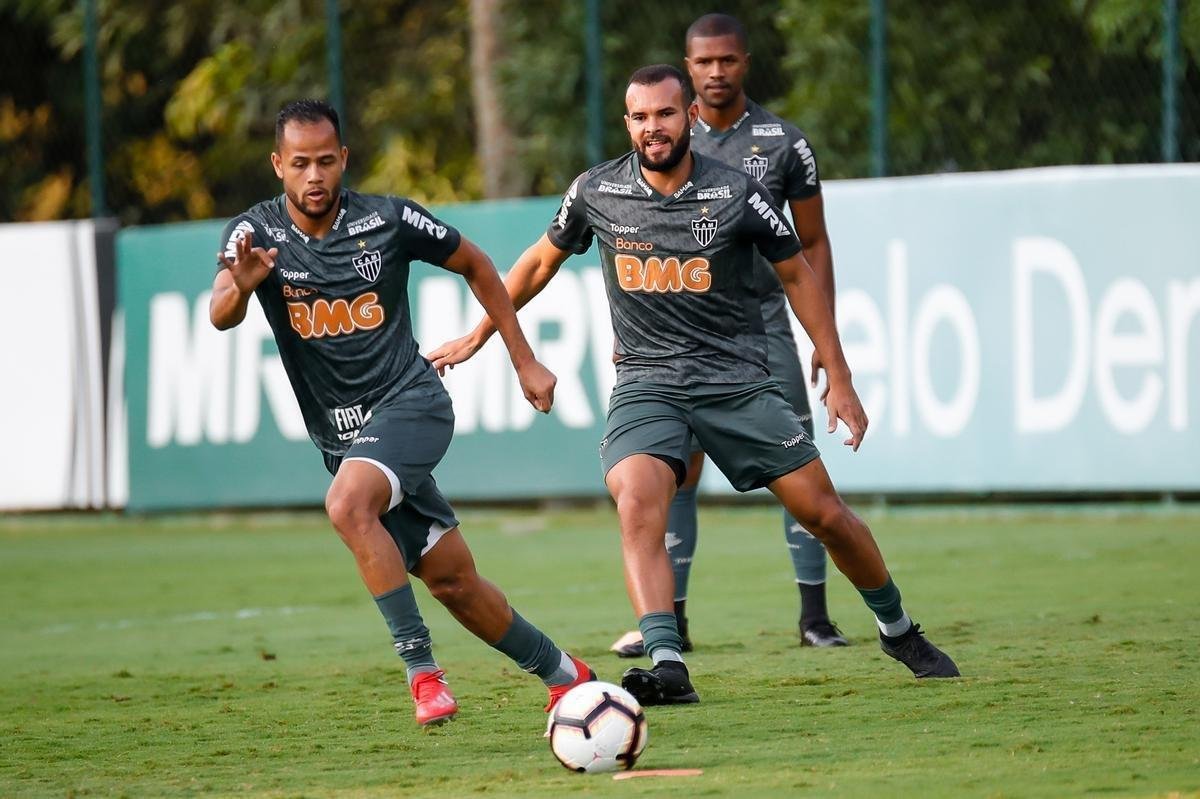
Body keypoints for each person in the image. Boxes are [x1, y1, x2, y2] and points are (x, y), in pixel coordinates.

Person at [429, 66, 959, 706]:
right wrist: (480, 335)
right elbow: (539, 262)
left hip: (735, 381)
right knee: (636, 497)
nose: (653, 128)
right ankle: (668, 662)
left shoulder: (738, 193)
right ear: (627, 123)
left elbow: (796, 276)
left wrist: (838, 375)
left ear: (689, 119)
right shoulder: (596, 190)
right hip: (647, 382)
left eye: (665, 114)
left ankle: (898, 629)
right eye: (640, 117)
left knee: (824, 514)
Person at [209, 99, 593, 727]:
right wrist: (244, 284)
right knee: (454, 582)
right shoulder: (254, 234)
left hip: (412, 403)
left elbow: (476, 263)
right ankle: (568, 676)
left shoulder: (387, 218)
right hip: (344, 438)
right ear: (278, 164)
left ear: (344, 160)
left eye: (326, 161)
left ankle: (423, 674)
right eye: (300, 163)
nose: (314, 176)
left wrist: (524, 361)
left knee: (346, 505)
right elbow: (221, 310)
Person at [609, 12, 848, 659]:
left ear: (745, 63)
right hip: (675, 337)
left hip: (763, 325)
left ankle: (815, 616)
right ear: (688, 72)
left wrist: (825, 340)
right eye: (705, 63)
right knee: (675, 468)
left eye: (729, 61)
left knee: (796, 465)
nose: (717, 72)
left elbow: (812, 245)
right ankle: (672, 620)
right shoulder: (663, 139)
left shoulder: (783, 143)